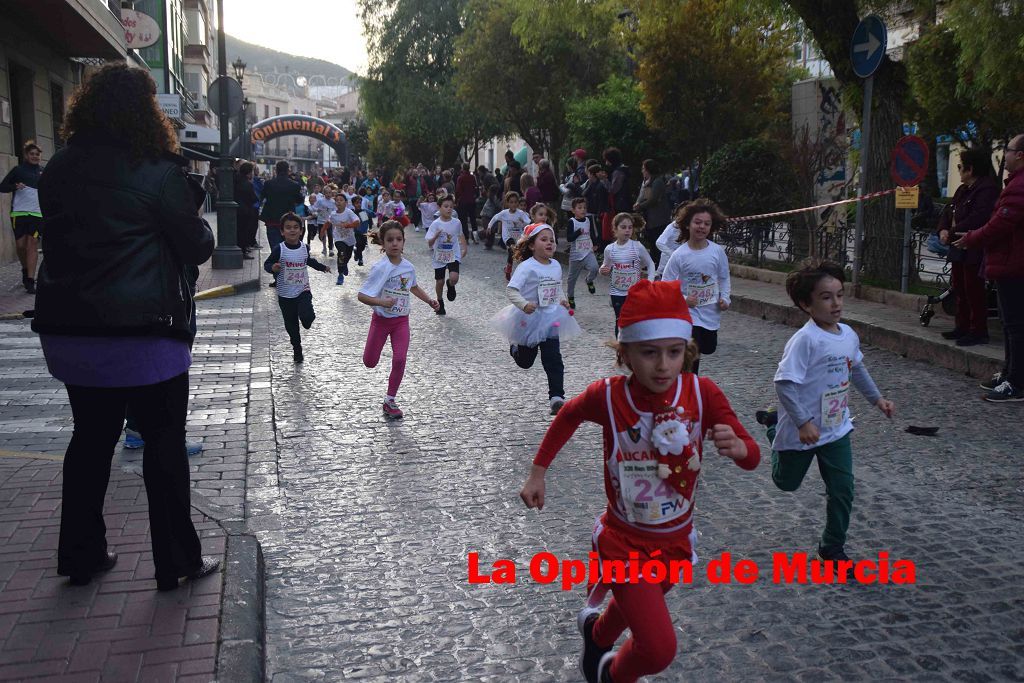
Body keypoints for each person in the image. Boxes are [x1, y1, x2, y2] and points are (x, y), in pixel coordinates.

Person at [33, 63, 219, 591]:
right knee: (163, 442)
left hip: (70, 331)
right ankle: (176, 562)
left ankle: (81, 554)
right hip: (144, 334)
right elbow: (197, 246)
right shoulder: (158, 171)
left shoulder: (58, 169)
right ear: (146, 111)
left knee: (90, 438)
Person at [520, 279, 760, 683]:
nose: (664, 365)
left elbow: (752, 457)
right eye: (649, 353)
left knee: (638, 602)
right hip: (623, 541)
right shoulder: (610, 397)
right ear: (626, 353)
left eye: (674, 352)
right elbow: (568, 415)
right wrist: (538, 472)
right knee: (658, 648)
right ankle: (611, 674)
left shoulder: (703, 394)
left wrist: (739, 448)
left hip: (676, 540)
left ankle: (596, 635)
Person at [756, 261, 894, 562]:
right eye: (826, 297)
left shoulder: (848, 334)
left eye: (840, 295)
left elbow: (856, 368)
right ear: (806, 304)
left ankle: (832, 547)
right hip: (803, 428)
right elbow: (783, 383)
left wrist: (877, 400)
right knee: (786, 483)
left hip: (836, 428)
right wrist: (802, 422)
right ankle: (772, 424)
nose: (836, 304)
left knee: (843, 489)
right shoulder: (805, 340)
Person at [955, 134, 1024, 401]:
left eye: (1007, 150)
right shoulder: (1014, 183)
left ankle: (1016, 382)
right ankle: (1009, 373)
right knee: (1010, 325)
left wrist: (970, 238)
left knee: (1016, 326)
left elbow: (1000, 223)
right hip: (1009, 263)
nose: (1004, 155)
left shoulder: (1018, 187)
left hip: (1014, 265)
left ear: (1019, 155)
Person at [493, 223, 580, 414]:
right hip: (528, 318)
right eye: (544, 239)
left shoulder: (556, 265)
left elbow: (556, 288)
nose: (550, 243)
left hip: (550, 318)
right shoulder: (527, 267)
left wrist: (563, 301)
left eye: (552, 240)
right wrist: (524, 304)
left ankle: (557, 397)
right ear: (532, 245)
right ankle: (515, 348)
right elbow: (511, 289)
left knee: (553, 358)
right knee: (526, 362)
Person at [357, 221, 440, 419]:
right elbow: (362, 295)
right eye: (390, 240)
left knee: (400, 358)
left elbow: (413, 286)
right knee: (369, 362)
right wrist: (381, 302)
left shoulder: (408, 267)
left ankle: (390, 400)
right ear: (383, 244)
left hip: (401, 321)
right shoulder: (380, 267)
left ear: (403, 242)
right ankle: (386, 391)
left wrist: (430, 300)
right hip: (381, 320)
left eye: (398, 239)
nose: (395, 243)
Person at [936, 148, 1000, 347]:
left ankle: (977, 330)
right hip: (957, 247)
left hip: (973, 246)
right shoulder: (962, 190)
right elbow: (948, 212)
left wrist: (953, 230)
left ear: (970, 169)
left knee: (974, 290)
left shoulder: (987, 190)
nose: (959, 170)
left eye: (960, 167)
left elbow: (979, 217)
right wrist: (943, 230)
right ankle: (961, 325)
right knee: (960, 288)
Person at [661, 199, 732, 375]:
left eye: (706, 224)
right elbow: (666, 283)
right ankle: (688, 386)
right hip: (689, 314)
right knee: (693, 355)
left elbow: (724, 277)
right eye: (698, 222)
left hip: (710, 312)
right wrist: (684, 299)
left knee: (708, 347)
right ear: (688, 225)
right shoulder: (680, 254)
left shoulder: (717, 251)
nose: (702, 227)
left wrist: (725, 297)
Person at [263, 212, 332, 362]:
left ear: (301, 231)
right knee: (291, 324)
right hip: (285, 294)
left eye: (296, 227)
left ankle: (308, 318)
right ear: (282, 231)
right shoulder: (279, 249)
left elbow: (309, 261)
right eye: (288, 228)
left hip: (303, 290)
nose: (292, 230)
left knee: (307, 317)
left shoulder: (304, 247)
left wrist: (322, 267)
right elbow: (267, 264)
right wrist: (272, 268)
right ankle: (297, 348)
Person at [600, 213, 656, 336]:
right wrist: (602, 270)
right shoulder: (610, 249)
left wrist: (649, 282)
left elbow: (651, 264)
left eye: (630, 227)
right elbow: (605, 266)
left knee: (634, 321)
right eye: (623, 227)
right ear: (615, 229)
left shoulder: (637, 247)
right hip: (616, 292)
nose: (627, 230)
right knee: (620, 320)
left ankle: (634, 346)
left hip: (634, 292)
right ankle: (621, 350)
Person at [0, 139, 44, 293]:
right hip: (18, 212)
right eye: (32, 154)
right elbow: (2, 187)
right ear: (26, 155)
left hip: (37, 213)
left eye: (37, 154)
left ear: (40, 156)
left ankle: (31, 280)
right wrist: (15, 186)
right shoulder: (18, 171)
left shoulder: (43, 171)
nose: (35, 156)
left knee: (32, 243)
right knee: (20, 246)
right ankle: (25, 269)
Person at [260, 161, 304, 284]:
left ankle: (278, 278)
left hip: (272, 221)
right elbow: (300, 199)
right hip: (288, 223)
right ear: (288, 170)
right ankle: (286, 276)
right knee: (287, 249)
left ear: (276, 170)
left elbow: (261, 197)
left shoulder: (269, 184)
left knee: (275, 249)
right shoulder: (294, 185)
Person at [426, 196, 467, 315]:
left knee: (454, 278)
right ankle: (440, 302)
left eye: (451, 207)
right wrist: (435, 236)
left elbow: (461, 234)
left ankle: (450, 284)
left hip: (453, 254)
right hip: (439, 256)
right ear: (439, 208)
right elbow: (429, 243)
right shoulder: (435, 224)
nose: (449, 209)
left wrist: (464, 247)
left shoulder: (456, 222)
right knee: (439, 282)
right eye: (446, 206)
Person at [488, 191, 531, 280]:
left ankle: (511, 267)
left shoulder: (521, 213)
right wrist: (489, 226)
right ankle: (509, 269)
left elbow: (529, 222)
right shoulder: (504, 213)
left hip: (518, 237)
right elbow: (495, 217)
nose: (514, 204)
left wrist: (523, 222)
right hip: (507, 237)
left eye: (515, 202)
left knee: (516, 253)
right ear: (507, 203)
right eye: (511, 202)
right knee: (512, 248)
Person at [566, 197, 599, 309]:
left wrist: (595, 244)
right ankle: (570, 297)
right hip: (576, 256)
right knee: (571, 280)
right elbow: (569, 238)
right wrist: (577, 233)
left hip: (588, 252)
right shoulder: (572, 222)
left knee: (595, 268)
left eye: (584, 207)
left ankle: (589, 280)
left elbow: (591, 233)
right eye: (579, 208)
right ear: (573, 210)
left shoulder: (588, 220)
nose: (583, 210)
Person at [633, 159, 671, 252]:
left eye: (643, 169)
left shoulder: (657, 181)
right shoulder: (647, 182)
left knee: (657, 241)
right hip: (651, 218)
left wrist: (640, 206)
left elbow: (653, 199)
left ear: (648, 170)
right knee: (652, 241)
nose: (642, 171)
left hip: (658, 218)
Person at [326, 194, 360, 286]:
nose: (339, 202)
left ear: (346, 203)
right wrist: (322, 231)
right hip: (338, 238)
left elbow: (357, 221)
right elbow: (328, 222)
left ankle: (344, 265)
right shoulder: (333, 214)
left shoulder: (349, 212)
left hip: (349, 239)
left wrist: (349, 225)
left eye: (341, 200)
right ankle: (340, 274)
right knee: (341, 253)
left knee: (347, 256)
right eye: (337, 200)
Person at [234, 161, 260, 258]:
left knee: (239, 231)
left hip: (236, 210)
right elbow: (253, 198)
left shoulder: (235, 180)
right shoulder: (247, 184)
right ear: (249, 172)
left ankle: (242, 249)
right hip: (245, 211)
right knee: (244, 232)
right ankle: (243, 251)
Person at [654, 204, 686, 277]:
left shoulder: (689, 228)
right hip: (666, 265)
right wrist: (672, 254)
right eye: (680, 215)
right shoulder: (672, 227)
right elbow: (659, 242)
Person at [455, 163, 479, 244]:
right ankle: (475, 237)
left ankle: (466, 238)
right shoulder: (473, 177)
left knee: (463, 220)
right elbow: (476, 187)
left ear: (462, 168)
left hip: (463, 201)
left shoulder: (460, 178)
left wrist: (457, 200)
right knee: (473, 219)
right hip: (472, 200)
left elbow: (458, 190)